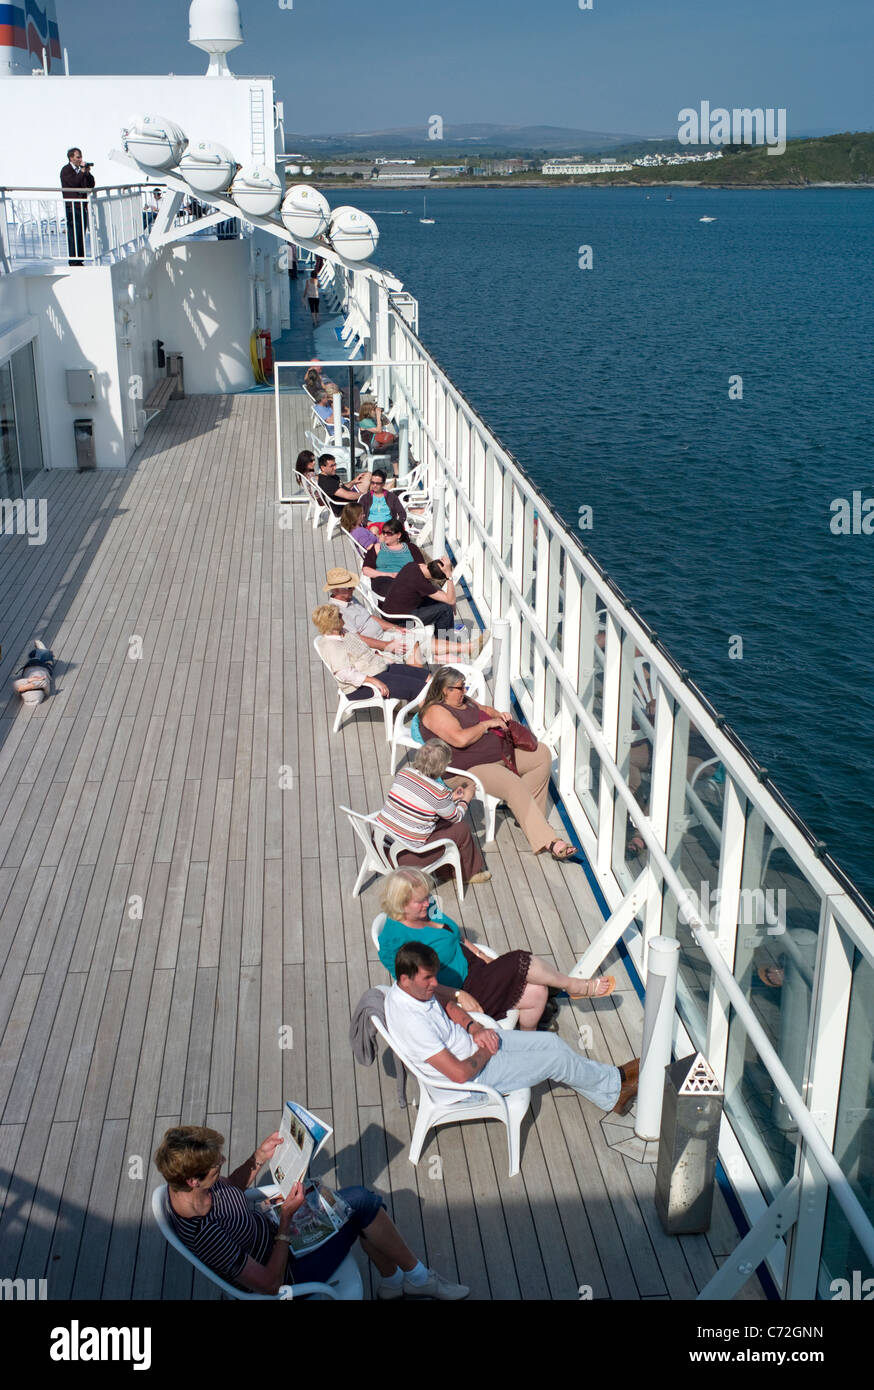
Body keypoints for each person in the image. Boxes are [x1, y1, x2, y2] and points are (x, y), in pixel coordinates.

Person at [154, 1124, 468, 1299]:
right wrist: (287, 1221)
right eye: (215, 1164)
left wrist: (258, 1158)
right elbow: (269, 1284)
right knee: (362, 1203)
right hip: (286, 1270)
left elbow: (231, 1188)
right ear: (193, 1180)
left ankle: (397, 1280)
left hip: (274, 1232)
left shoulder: (193, 1189)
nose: (221, 1162)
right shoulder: (205, 1234)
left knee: (360, 1208)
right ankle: (414, 1278)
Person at [385, 942, 639, 1115]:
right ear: (405, 979)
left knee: (552, 1044)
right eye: (428, 978)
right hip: (470, 1083)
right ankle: (615, 1086)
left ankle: (611, 1090)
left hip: (474, 1045)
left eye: (434, 976)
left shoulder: (413, 990)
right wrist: (487, 1051)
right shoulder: (412, 1023)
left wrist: (473, 1027)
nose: (435, 983)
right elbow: (459, 1075)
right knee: (556, 1061)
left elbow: (447, 1004)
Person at [377, 870, 615, 1028]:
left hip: (475, 966)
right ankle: (575, 985)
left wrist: (482, 955)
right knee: (519, 959)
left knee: (538, 992)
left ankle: (527, 1043)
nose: (429, 902)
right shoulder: (394, 943)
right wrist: (459, 995)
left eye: (428, 896)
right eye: (420, 900)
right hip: (462, 988)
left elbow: (454, 935)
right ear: (400, 904)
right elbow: (416, 988)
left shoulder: (428, 911)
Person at [419, 667, 577, 860]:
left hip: (497, 755)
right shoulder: (436, 711)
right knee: (511, 783)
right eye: (460, 688)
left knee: (541, 754)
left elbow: (485, 710)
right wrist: (486, 725)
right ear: (445, 690)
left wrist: (498, 716)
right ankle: (549, 840)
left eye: (465, 687)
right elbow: (460, 739)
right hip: (467, 770)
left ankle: (528, 815)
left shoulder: (463, 701)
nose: (465, 691)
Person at [324, 569, 487, 664]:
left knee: (418, 638)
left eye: (352, 586)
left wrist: (396, 628)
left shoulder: (351, 599)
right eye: (349, 587)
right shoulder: (336, 613)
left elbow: (371, 619)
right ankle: (420, 691)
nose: (353, 589)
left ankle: (466, 650)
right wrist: (387, 644)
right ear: (336, 590)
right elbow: (356, 639)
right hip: (374, 647)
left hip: (384, 634)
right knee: (415, 647)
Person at [376, 754, 491, 887]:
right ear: (442, 768)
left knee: (441, 823)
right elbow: (456, 817)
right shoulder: (438, 793)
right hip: (402, 859)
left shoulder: (404, 774)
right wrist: (466, 799)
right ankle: (468, 874)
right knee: (461, 829)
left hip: (379, 847)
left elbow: (423, 800)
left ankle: (447, 871)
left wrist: (451, 798)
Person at [311, 604, 429, 703]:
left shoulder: (344, 633)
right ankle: (426, 722)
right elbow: (345, 674)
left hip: (378, 668)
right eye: (340, 615)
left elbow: (362, 649)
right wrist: (374, 681)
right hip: (362, 686)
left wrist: (382, 656)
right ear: (334, 623)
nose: (343, 616)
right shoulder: (331, 646)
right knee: (421, 689)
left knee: (425, 676)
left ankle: (424, 707)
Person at [381, 556, 457, 633]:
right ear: (436, 579)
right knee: (446, 609)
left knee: (440, 601)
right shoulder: (422, 583)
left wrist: (449, 600)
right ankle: (446, 641)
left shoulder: (411, 565)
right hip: (400, 623)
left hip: (388, 615)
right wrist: (449, 575)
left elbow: (436, 591)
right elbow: (451, 600)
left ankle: (443, 632)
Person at [362, 520, 426, 598]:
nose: (385, 535)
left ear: (398, 535)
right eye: (383, 532)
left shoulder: (411, 548)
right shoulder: (377, 547)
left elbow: (422, 567)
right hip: (384, 581)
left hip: (408, 580)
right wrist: (388, 574)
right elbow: (366, 570)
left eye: (389, 533)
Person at [60, 147, 95, 266]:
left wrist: (88, 173)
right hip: (72, 206)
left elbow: (91, 184)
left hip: (81, 206)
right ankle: (73, 260)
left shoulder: (81, 171)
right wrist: (81, 172)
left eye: (81, 156)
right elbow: (74, 183)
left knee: (81, 233)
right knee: (73, 233)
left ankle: (79, 259)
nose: (80, 159)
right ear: (71, 158)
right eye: (78, 157)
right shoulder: (66, 170)